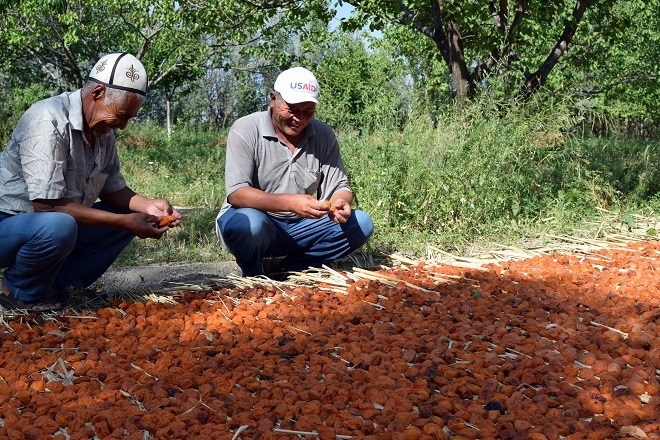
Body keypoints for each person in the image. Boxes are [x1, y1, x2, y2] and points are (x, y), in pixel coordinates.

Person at [0, 53, 182, 312]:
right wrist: (124, 222)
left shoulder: (103, 133)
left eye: (129, 118)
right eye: (121, 116)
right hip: (9, 222)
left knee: (130, 212)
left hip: (47, 225)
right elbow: (46, 207)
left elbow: (114, 190)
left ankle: (59, 284)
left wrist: (149, 206)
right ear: (97, 93)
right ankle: (16, 289)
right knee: (58, 226)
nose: (123, 126)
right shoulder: (48, 118)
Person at [216, 66, 374, 277]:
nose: (298, 118)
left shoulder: (324, 135)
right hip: (256, 223)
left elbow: (339, 187)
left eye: (307, 111)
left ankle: (290, 271)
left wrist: (341, 201)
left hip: (301, 226)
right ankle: (253, 275)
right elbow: (237, 193)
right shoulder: (245, 128)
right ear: (273, 99)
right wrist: (291, 202)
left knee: (361, 223)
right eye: (291, 109)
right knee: (251, 224)